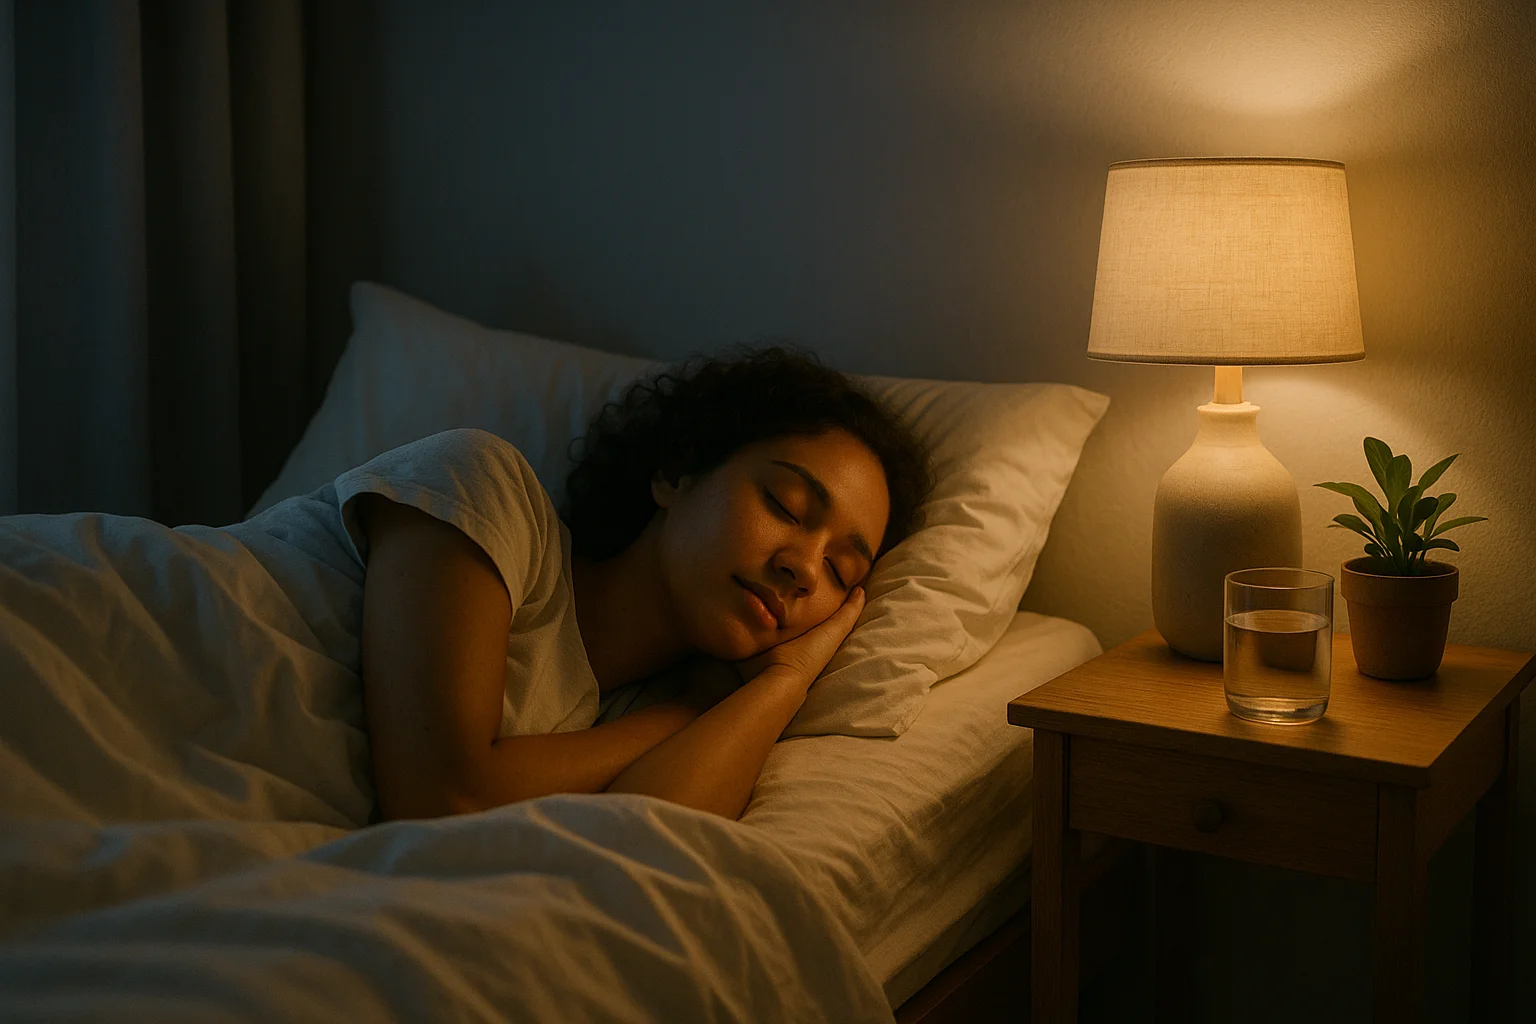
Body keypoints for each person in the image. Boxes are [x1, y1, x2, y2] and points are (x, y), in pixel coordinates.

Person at [356, 348, 931, 823]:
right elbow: (443, 799)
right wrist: (694, 708)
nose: (805, 570)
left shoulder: (632, 717)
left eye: (840, 571)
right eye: (785, 504)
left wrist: (785, 679)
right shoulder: (483, 489)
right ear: (676, 472)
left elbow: (638, 855)